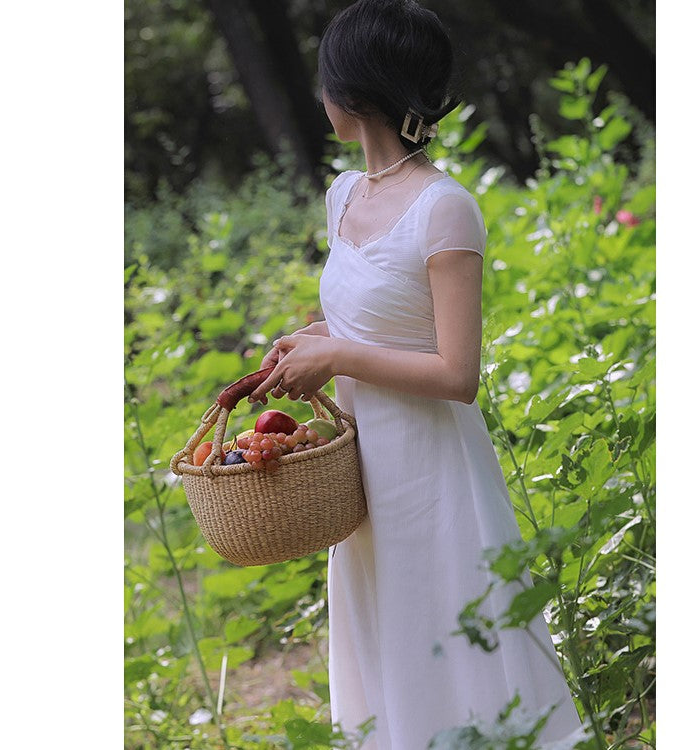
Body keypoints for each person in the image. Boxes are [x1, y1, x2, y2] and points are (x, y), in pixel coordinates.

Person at [248, 1, 586, 747]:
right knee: (390, 640)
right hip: (357, 468)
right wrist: (308, 340)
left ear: (355, 91)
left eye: (325, 80)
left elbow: (456, 372)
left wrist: (334, 356)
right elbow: (366, 321)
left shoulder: (445, 208)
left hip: (430, 470)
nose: (319, 95)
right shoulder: (343, 195)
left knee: (449, 633)